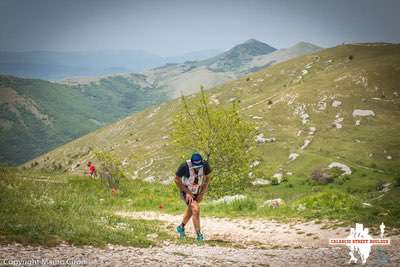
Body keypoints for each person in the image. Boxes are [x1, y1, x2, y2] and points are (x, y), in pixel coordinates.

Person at [174, 153, 212, 241]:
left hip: (197, 190)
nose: (198, 168)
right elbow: (176, 180)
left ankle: (181, 227)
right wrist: (187, 192)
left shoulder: (205, 165)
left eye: (199, 166)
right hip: (186, 190)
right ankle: (199, 235)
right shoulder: (184, 166)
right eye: (196, 166)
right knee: (195, 209)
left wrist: (202, 193)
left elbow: (207, 179)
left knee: (192, 210)